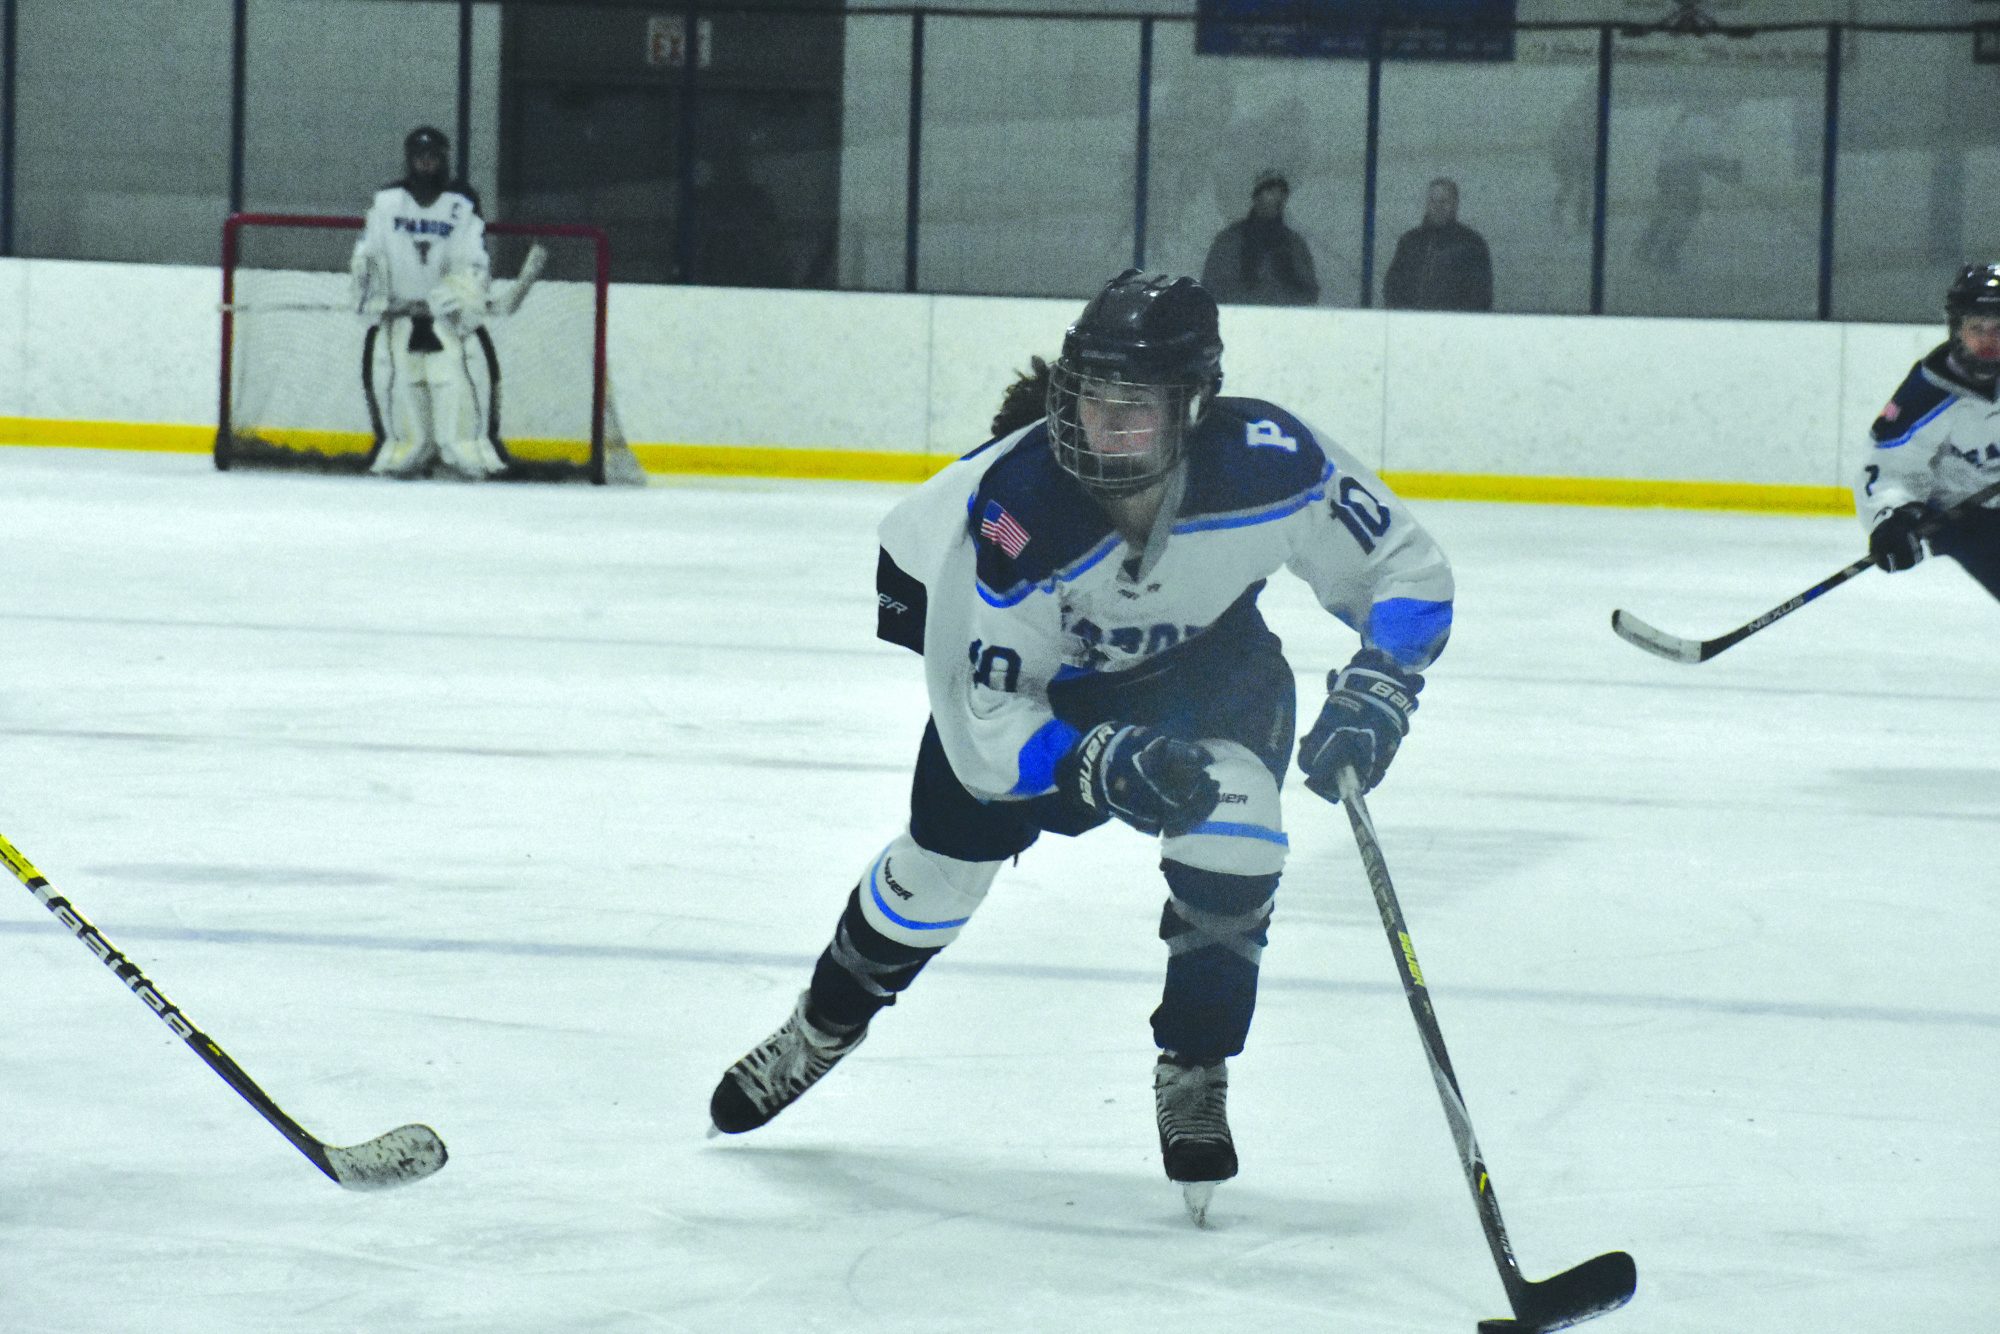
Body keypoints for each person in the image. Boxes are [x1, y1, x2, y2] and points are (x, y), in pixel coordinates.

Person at [709, 270, 1455, 1221]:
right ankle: (820, 1028)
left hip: (1207, 671)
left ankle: (1195, 1064)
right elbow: (988, 722)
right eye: (1092, 397)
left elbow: (1403, 567)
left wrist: (1384, 679)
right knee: (936, 879)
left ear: (1193, 407)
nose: (1103, 425)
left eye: (1133, 406)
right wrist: (1090, 760)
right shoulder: (1012, 514)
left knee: (1237, 824)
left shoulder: (1271, 462)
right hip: (1043, 694)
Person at [350, 126, 507, 480]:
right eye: (419, 156)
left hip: (445, 319)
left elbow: (472, 260)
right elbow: (368, 255)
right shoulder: (388, 201)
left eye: (432, 156)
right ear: (409, 158)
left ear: (443, 158)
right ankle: (410, 450)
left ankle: (463, 452)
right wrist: (376, 297)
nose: (425, 162)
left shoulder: (461, 203)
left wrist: (451, 299)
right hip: (401, 316)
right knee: (403, 382)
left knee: (452, 379)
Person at [1856, 263, 2000, 595]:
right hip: (1965, 518)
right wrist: (1890, 519)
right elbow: (1887, 468)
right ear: (1957, 329)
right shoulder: (1927, 394)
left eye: (1999, 328)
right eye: (1977, 328)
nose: (1989, 340)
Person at [1199, 170, 1321, 306]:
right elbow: (1211, 289)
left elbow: (1310, 294)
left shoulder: (1295, 245)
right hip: (1239, 317)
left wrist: (1290, 281)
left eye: (1281, 193)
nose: (1277, 199)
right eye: (1270, 192)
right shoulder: (1229, 241)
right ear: (1256, 197)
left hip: (1283, 317)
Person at [1381, 177, 1493, 312]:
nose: (1438, 207)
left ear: (1455, 204)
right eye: (1433, 201)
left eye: (1444, 201)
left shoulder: (1472, 245)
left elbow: (1480, 295)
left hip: (1453, 322)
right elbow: (1392, 286)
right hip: (1412, 322)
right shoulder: (1409, 242)